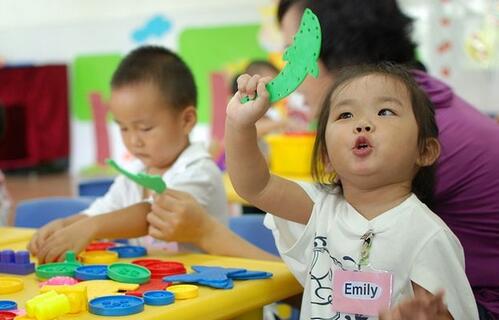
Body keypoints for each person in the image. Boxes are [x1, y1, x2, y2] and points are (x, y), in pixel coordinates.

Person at [275, 1, 499, 318]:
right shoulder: (420, 106)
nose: (288, 71)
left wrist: (211, 235)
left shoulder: (406, 143)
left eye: (293, 53)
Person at [226, 63, 478, 319]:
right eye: (345, 115)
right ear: (325, 156)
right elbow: (256, 186)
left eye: (385, 111)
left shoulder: (427, 236)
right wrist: (240, 125)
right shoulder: (320, 208)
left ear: (424, 151)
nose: (363, 124)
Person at [27, 46, 228, 263]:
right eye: (123, 128)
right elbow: (102, 211)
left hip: (208, 284)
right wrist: (66, 226)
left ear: (186, 120)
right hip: (160, 289)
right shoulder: (135, 175)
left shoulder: (200, 170)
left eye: (145, 128)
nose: (134, 141)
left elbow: (152, 215)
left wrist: (90, 228)